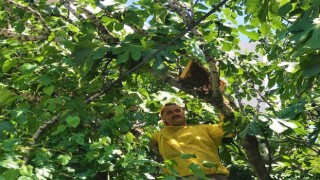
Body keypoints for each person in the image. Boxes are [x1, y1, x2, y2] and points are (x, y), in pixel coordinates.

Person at [149, 102, 231, 180]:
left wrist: (222, 104)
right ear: (163, 118)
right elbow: (141, 142)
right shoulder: (160, 135)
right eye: (169, 112)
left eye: (177, 110)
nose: (175, 113)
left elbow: (228, 128)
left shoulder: (204, 128)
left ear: (183, 113)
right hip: (181, 177)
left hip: (213, 174)